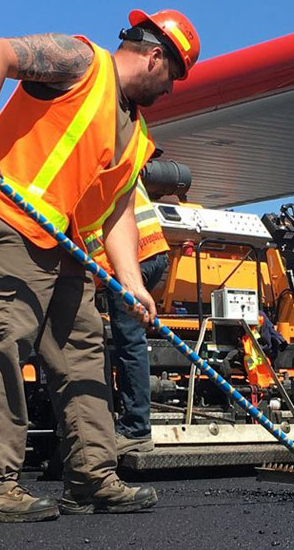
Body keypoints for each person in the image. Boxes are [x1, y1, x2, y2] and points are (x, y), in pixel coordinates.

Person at [0, 9, 200, 522]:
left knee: (84, 354)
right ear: (156, 56)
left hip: (66, 246)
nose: (171, 90)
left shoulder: (136, 134)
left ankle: (91, 479)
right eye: (174, 76)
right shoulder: (81, 62)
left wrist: (133, 286)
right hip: (7, 221)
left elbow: (117, 214)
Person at [92, 180, 170, 455]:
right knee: (131, 341)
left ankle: (136, 428)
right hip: (154, 251)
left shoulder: (86, 164)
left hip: (129, 259)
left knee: (129, 343)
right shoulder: (116, 155)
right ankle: (134, 423)